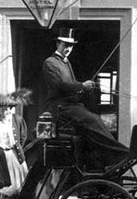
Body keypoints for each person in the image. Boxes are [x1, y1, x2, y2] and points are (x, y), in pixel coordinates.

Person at [42, 28, 128, 169]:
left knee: (94, 123)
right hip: (60, 107)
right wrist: (82, 85)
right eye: (65, 45)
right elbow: (60, 85)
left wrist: (84, 89)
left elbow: (70, 86)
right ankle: (117, 154)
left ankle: (103, 162)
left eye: (70, 46)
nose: (68, 48)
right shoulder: (50, 62)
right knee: (94, 120)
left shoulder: (65, 63)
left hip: (71, 105)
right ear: (58, 44)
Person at [0, 91, 31, 199]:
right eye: (1, 108)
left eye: (6, 108)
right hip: (1, 154)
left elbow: (23, 137)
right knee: (5, 178)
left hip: (15, 154)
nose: (4, 111)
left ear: (10, 109)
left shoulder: (17, 120)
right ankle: (4, 197)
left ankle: (19, 198)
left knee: (19, 180)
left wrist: (17, 148)